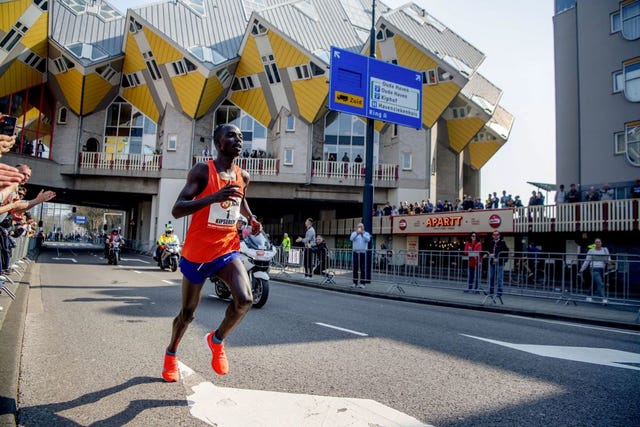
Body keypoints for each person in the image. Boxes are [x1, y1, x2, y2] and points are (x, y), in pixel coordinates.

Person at [161, 123, 262, 382]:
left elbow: (240, 199)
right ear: (218, 143)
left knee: (245, 299)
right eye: (231, 135)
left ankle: (217, 340)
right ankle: (171, 353)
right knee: (188, 313)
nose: (238, 140)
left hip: (226, 247)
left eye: (241, 137)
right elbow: (178, 209)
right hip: (197, 252)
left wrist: (250, 218)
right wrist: (212, 197)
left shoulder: (244, 176)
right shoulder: (202, 171)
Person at [580, 238, 611, 305]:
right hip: (593, 269)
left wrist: (610, 264)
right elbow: (587, 261)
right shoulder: (591, 250)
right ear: (594, 244)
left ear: (601, 243)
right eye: (596, 242)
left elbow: (609, 259)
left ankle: (588, 296)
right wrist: (582, 269)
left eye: (599, 242)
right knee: (600, 283)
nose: (598, 243)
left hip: (602, 269)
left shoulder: (605, 250)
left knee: (595, 284)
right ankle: (604, 299)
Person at [485, 230, 509, 297]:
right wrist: (487, 254)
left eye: (497, 234)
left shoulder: (502, 243)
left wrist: (495, 255)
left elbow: (505, 252)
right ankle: (491, 291)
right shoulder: (491, 243)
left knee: (499, 278)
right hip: (492, 262)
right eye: (494, 234)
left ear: (499, 235)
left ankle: (499, 292)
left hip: (500, 263)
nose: (495, 236)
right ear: (492, 236)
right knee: (491, 277)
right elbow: (488, 250)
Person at [350, 222, 371, 288]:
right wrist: (357, 233)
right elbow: (351, 238)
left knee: (363, 269)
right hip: (356, 253)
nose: (360, 227)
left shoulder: (366, 233)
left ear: (363, 227)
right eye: (359, 226)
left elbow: (368, 240)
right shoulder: (354, 233)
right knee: (355, 268)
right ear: (357, 227)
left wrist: (362, 234)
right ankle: (355, 283)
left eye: (361, 226)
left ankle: (362, 283)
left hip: (363, 253)